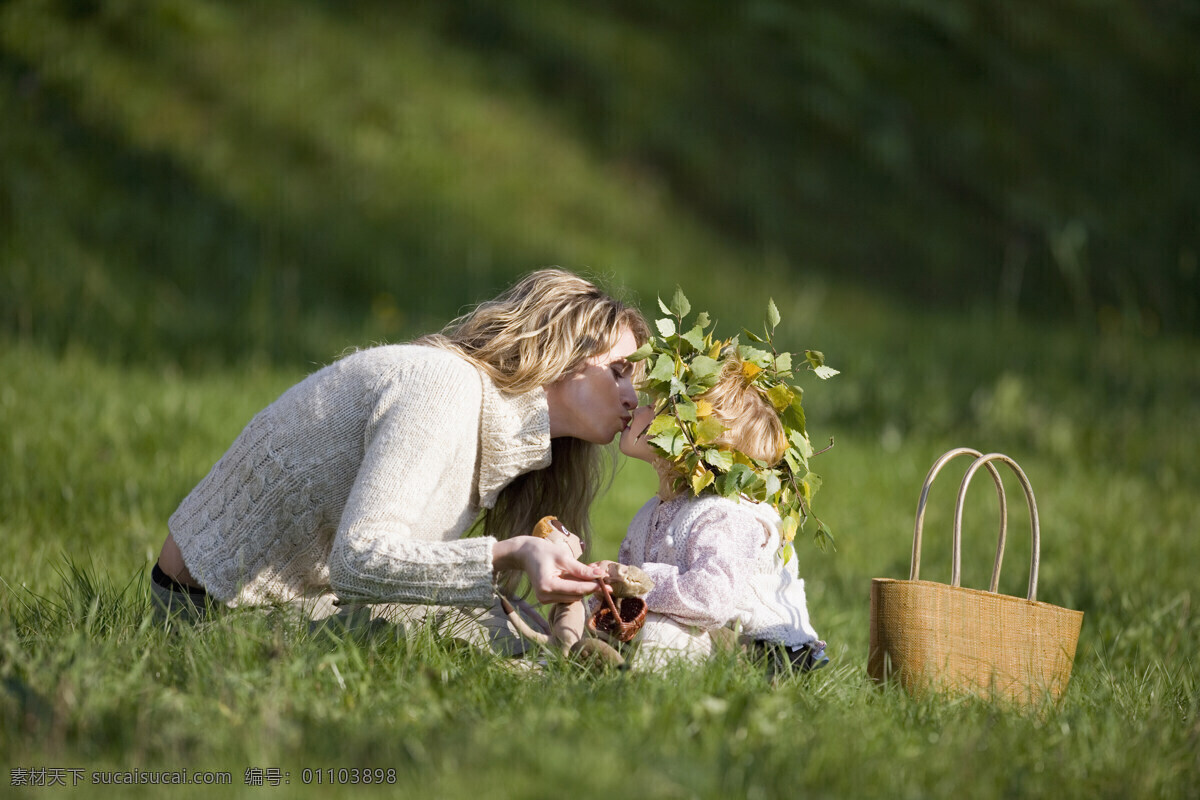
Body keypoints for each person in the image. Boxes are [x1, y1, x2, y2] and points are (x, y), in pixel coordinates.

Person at [152, 269, 649, 650]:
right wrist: (511, 552)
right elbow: (359, 560)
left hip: (284, 598)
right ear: (562, 355)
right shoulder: (443, 387)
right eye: (619, 371)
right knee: (475, 634)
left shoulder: (504, 436)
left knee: (500, 619)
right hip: (205, 613)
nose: (633, 397)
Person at [609, 357, 829, 672]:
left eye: (654, 408)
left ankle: (638, 683)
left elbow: (710, 601)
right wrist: (603, 589)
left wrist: (639, 582)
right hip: (700, 628)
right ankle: (602, 660)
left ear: (691, 443)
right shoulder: (650, 514)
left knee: (662, 627)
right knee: (618, 622)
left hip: (761, 652)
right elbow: (632, 590)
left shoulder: (726, 516)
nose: (638, 410)